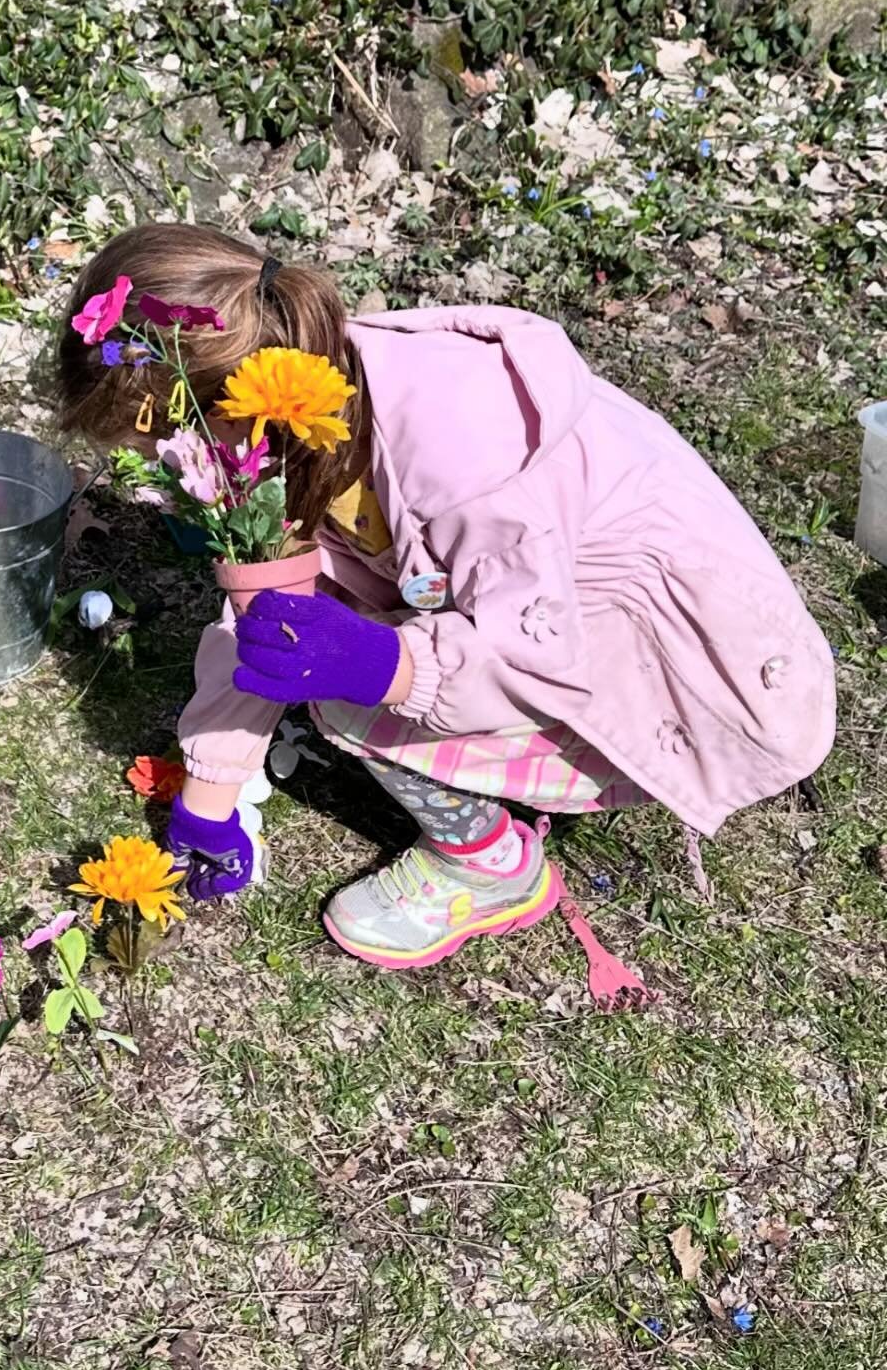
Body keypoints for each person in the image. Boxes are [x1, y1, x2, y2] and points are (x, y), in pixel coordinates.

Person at [56, 223, 836, 971]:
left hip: (707, 680)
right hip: (555, 616)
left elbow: (536, 657)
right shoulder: (296, 411)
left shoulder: (462, 448)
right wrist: (210, 795)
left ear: (222, 408)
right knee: (322, 649)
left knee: (351, 698)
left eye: (160, 447)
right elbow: (263, 616)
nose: (168, 472)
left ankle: (491, 865)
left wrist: (385, 665)